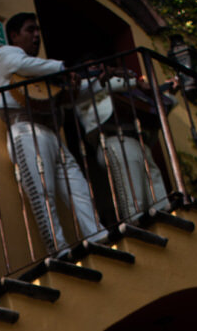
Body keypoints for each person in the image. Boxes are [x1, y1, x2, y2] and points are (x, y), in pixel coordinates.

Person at [0, 14, 107, 259]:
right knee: (42, 193)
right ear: (14, 36)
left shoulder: (47, 71)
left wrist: (103, 82)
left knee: (79, 188)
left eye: (38, 30)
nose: (37, 35)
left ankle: (98, 236)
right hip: (26, 130)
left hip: (53, 136)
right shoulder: (5, 55)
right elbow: (20, 65)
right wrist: (63, 68)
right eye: (30, 30)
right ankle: (59, 251)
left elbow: (75, 93)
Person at [73, 64, 173, 225]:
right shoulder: (82, 88)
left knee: (158, 193)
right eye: (92, 66)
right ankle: (137, 231)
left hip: (138, 141)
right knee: (134, 199)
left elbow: (161, 105)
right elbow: (109, 85)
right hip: (115, 141)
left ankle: (167, 226)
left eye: (100, 65)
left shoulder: (123, 88)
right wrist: (135, 81)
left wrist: (165, 90)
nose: (100, 68)